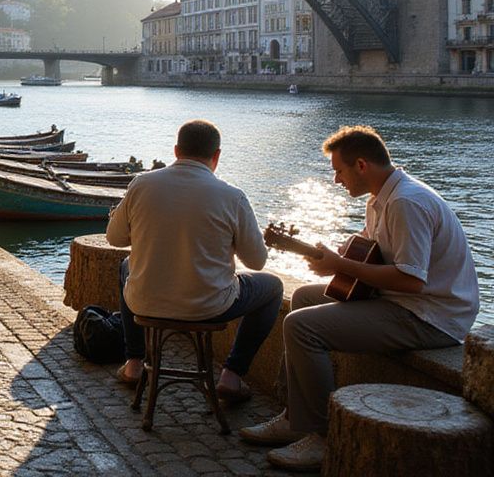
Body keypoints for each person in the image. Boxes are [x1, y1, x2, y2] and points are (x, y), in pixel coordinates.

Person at [240, 126, 480, 471]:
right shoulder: (380, 198)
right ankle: (295, 417)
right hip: (403, 301)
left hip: (431, 315)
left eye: (339, 170)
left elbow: (411, 280)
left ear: (362, 165)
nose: (337, 180)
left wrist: (340, 264)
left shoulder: (406, 203)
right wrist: (337, 257)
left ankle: (324, 436)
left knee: (301, 327)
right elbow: (373, 256)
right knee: (306, 298)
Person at [107, 119, 281, 402]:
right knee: (273, 287)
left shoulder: (141, 184)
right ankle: (232, 375)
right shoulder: (232, 196)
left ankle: (134, 363)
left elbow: (114, 239)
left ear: (176, 150)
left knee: (126, 266)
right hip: (209, 307)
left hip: (144, 302)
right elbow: (257, 262)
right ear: (217, 156)